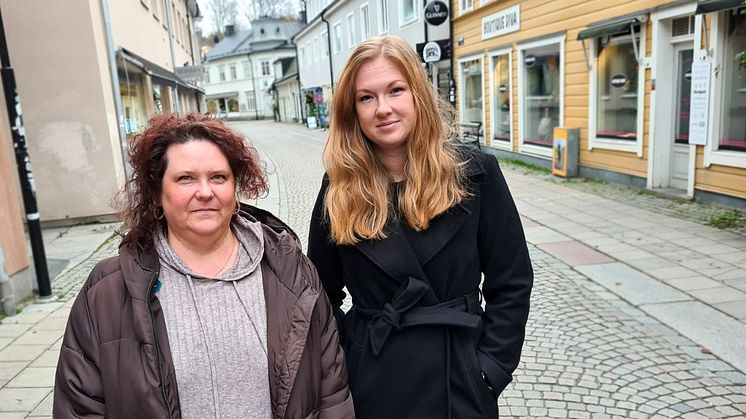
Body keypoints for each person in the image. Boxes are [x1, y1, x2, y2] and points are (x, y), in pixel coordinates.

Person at [54, 113, 354, 419]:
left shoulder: (291, 273)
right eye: (186, 178)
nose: (205, 192)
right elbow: (80, 407)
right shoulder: (107, 291)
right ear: (157, 193)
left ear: (235, 186)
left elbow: (331, 390)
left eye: (218, 177)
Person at [307, 35, 533, 418]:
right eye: (366, 97)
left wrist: (490, 368)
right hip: (374, 380)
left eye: (396, 90)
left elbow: (511, 281)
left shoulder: (473, 175)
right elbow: (318, 294)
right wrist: (350, 358)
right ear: (353, 111)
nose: (383, 108)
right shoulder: (339, 188)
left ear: (417, 95)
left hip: (459, 379)